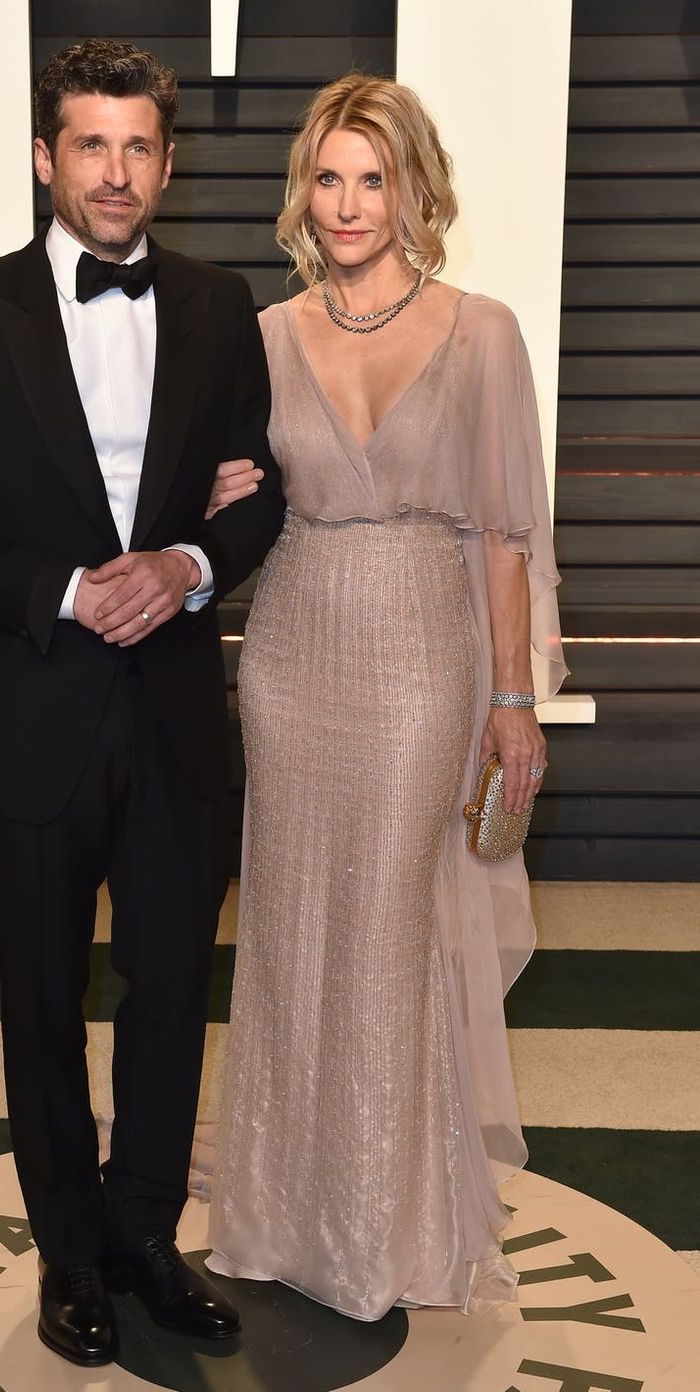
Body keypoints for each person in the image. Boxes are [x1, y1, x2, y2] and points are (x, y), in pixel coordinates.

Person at [0, 39, 284, 1367]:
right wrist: (59, 589)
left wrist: (189, 564)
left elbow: (261, 491)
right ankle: (67, 1254)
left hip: (172, 717)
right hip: (28, 713)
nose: (115, 172)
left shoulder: (221, 305)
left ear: (167, 161)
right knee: (41, 999)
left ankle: (146, 1238)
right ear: (47, 157)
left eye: (138, 147)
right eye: (91, 145)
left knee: (168, 991)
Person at [205, 74, 567, 1320]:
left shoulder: (480, 331)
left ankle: (380, 1233)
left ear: (413, 189)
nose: (349, 203)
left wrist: (510, 698)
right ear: (302, 191)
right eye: (328, 177)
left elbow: (504, 535)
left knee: (384, 929)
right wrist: (213, 497)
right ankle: (275, 1218)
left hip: (420, 655)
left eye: (373, 177)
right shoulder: (264, 335)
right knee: (290, 927)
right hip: (290, 649)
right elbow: (237, 494)